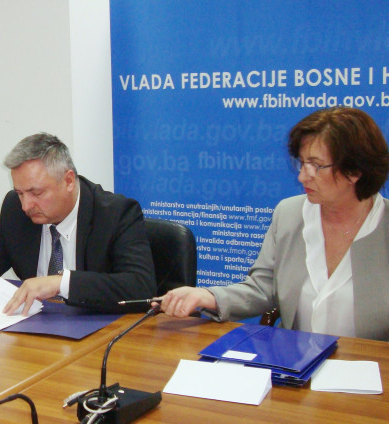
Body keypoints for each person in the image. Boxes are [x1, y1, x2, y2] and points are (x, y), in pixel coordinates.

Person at [159, 107, 389, 341]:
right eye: (302, 163)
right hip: (297, 358)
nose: (302, 177)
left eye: (316, 166)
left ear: (355, 171)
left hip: (373, 361)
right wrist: (206, 296)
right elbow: (263, 288)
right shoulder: (289, 214)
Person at [0, 133, 156, 314]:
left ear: (68, 181)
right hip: (37, 332)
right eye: (20, 193)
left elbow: (140, 287)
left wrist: (59, 284)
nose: (26, 205)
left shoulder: (116, 213)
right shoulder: (15, 210)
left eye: (36, 193)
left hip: (100, 332)